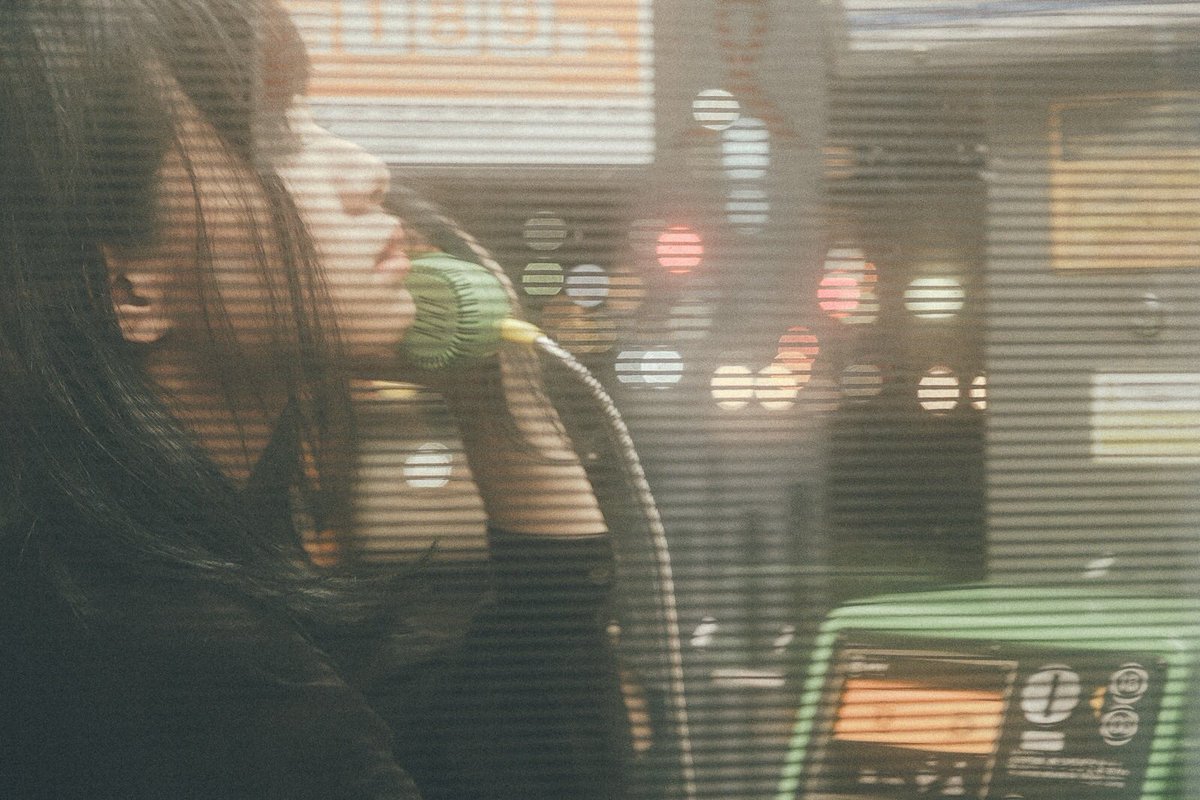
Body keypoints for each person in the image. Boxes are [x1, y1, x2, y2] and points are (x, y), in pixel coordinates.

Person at [0, 1, 632, 797]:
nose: (369, 171)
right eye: (273, 139)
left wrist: (494, 389)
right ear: (128, 288)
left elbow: (519, 751)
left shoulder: (184, 581)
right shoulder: (184, 673)